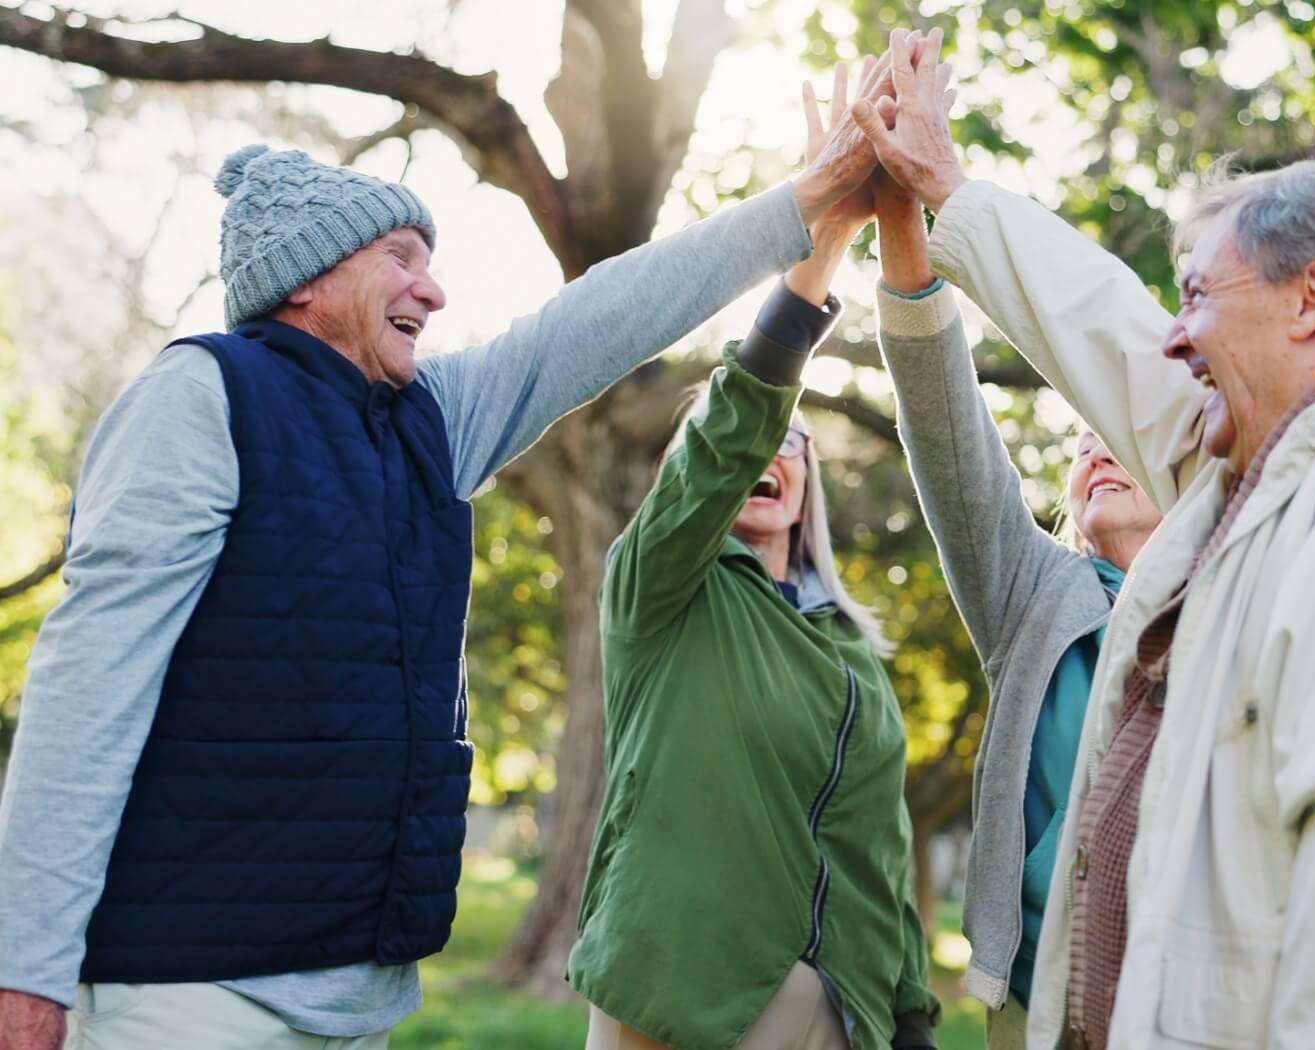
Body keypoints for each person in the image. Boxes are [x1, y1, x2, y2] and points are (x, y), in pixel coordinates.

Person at [0, 76, 892, 1049]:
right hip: (186, 995)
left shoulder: (434, 418)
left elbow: (599, 319)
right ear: (307, 277)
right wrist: (23, 969)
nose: (433, 289)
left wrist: (803, 208)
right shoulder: (198, 399)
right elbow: (85, 693)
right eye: (401, 259)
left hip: (359, 996)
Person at [854, 29, 1315, 1050]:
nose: (1173, 334)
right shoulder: (1280, 480)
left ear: (1311, 300)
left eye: (1197, 295)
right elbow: (1117, 342)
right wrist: (947, 187)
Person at [568, 49, 941, 1050]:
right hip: (674, 992)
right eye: (747, 443)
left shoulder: (848, 647)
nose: (766, 453)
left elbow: (877, 842)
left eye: (792, 444)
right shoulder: (662, 591)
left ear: (809, 478)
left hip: (831, 1009)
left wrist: (907, 1009)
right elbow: (732, 427)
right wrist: (820, 244)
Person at [867, 137, 1159, 1050]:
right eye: (1078, 449)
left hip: (1187, 994)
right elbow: (949, 431)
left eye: (1115, 432)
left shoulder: (1233, 587)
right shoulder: (1039, 594)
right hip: (1038, 1002)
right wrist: (903, 227)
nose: (1095, 452)